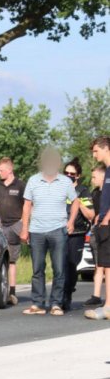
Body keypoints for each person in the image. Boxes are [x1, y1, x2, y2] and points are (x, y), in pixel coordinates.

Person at [20, 148, 81, 316]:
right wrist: (25, 229)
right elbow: (26, 206)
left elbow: (75, 202)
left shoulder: (65, 182)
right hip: (37, 231)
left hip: (58, 230)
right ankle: (38, 303)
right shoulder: (33, 180)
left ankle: (56, 304)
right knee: (37, 269)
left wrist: (71, 222)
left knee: (59, 269)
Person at [0, 157, 27, 305]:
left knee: (11, 260)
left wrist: (24, 225)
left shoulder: (21, 186)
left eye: (1, 170)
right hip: (0, 226)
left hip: (15, 225)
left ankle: (12, 292)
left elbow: (28, 206)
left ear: (10, 170)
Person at [61, 158, 96, 311]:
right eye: (66, 173)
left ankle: (68, 292)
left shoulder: (83, 191)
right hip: (59, 233)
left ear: (78, 176)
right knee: (60, 266)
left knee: (71, 266)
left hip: (77, 233)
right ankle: (59, 295)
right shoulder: (59, 189)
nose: (69, 175)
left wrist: (77, 202)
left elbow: (90, 215)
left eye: (72, 173)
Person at [85, 137, 110, 320]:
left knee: (108, 265)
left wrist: (107, 217)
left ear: (106, 148)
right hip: (103, 223)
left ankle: (108, 306)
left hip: (107, 223)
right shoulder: (108, 171)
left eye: (96, 151)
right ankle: (108, 305)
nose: (94, 155)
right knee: (106, 266)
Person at [84, 163, 106, 307]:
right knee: (98, 264)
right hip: (96, 231)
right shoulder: (94, 193)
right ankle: (96, 295)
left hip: (106, 229)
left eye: (94, 177)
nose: (92, 180)